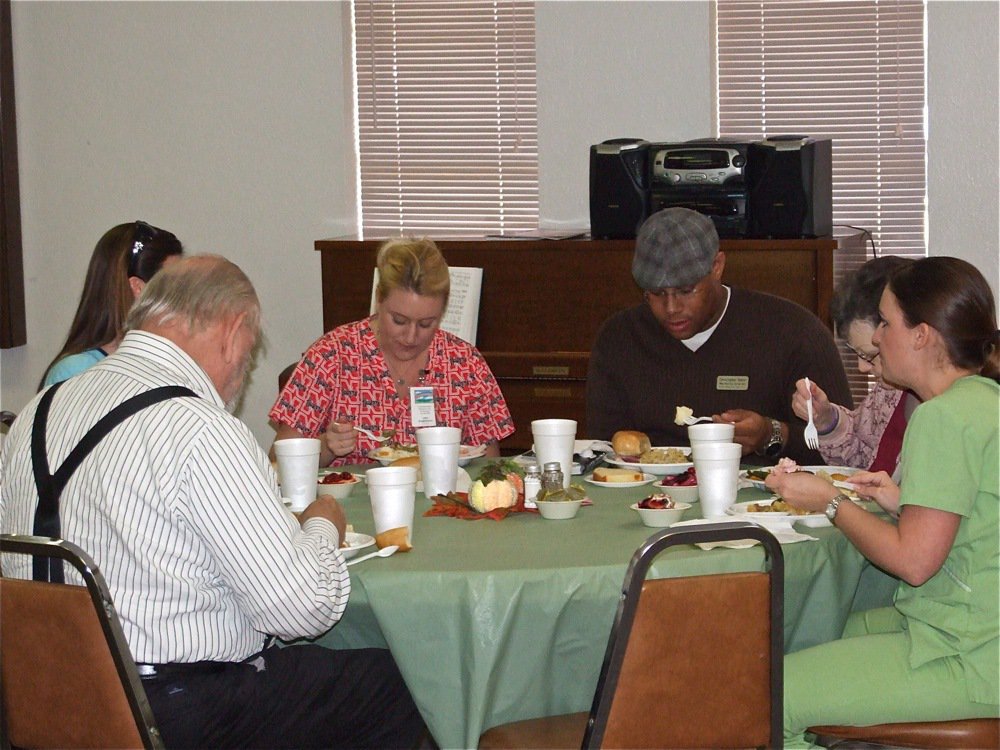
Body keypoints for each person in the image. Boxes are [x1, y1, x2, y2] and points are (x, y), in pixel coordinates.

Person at [1, 255, 426, 749]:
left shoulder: (38, 409)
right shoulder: (200, 429)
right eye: (248, 354)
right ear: (234, 330)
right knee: (402, 683)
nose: (242, 373)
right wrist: (321, 523)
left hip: (47, 699)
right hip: (170, 710)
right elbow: (302, 610)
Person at [767, 257, 999, 743]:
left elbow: (913, 563)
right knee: (815, 628)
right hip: (970, 630)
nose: (876, 340)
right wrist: (902, 504)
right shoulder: (983, 401)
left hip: (971, 655)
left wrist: (831, 501)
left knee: (766, 696)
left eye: (887, 324)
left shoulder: (942, 419)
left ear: (922, 335)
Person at [586, 207, 853, 464]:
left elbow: (844, 450)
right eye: (655, 294)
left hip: (762, 499)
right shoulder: (620, 339)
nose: (671, 308)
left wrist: (769, 434)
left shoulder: (793, 332)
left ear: (717, 266)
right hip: (646, 497)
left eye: (686, 290)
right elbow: (604, 450)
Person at [270, 236, 514, 466]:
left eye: (426, 324)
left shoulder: (465, 364)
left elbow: (489, 470)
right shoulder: (331, 355)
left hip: (440, 507)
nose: (410, 337)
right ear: (379, 299)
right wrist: (325, 446)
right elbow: (277, 464)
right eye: (399, 320)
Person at [791, 255, 918, 478]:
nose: (862, 367)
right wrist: (826, 419)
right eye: (856, 353)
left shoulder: (940, 404)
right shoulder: (886, 392)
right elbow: (862, 460)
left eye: (870, 355)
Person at [39, 220, 184, 389]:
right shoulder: (74, 372)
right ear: (138, 288)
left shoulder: (171, 361)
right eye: (175, 285)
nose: (184, 296)